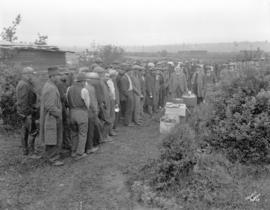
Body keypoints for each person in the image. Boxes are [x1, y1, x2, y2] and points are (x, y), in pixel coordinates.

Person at [40, 67, 64, 166]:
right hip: (52, 117)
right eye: (58, 75)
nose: (59, 77)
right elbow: (50, 106)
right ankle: (53, 158)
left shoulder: (49, 85)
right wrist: (59, 113)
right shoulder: (51, 88)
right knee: (53, 136)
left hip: (50, 116)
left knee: (51, 136)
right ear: (53, 76)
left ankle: (50, 155)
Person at [16, 66, 40, 158]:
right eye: (31, 74)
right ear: (26, 75)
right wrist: (29, 113)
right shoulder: (24, 85)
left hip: (25, 112)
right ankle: (32, 152)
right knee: (32, 132)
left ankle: (25, 150)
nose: (32, 76)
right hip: (27, 113)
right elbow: (23, 101)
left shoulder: (25, 83)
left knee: (25, 131)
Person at [67, 72, 90, 160]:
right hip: (81, 112)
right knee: (82, 133)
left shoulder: (69, 89)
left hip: (71, 112)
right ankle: (80, 153)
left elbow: (67, 101)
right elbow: (87, 104)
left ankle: (73, 151)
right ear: (83, 81)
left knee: (74, 134)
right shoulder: (84, 90)